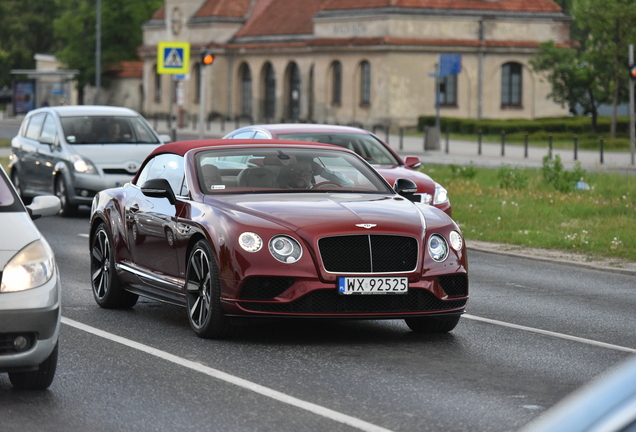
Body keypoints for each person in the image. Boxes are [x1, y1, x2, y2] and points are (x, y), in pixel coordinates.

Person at [282, 156, 354, 189]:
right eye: (298, 170)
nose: (302, 174)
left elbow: (348, 184)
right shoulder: (278, 190)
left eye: (307, 171)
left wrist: (322, 171)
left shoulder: (318, 191)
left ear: (312, 174)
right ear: (291, 172)